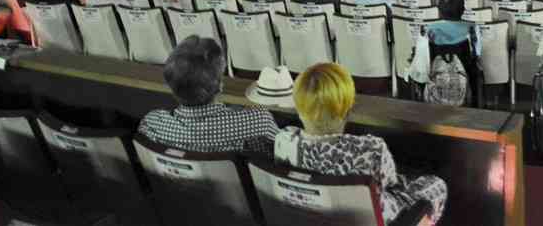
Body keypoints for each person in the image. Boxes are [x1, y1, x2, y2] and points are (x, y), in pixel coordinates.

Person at [274, 63, 447, 224]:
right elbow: (391, 181)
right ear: (348, 109)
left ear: (298, 108)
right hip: (374, 218)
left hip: (316, 216)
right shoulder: (370, 149)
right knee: (435, 185)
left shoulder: (284, 141)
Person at [139, 36, 279, 153]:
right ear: (220, 85)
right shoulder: (258, 120)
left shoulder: (152, 123)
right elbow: (281, 150)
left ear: (171, 86)